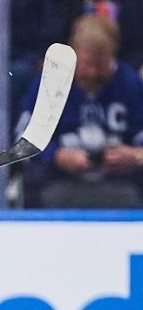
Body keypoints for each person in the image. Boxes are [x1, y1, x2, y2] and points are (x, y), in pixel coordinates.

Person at [18, 14, 143, 207]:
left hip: (120, 186)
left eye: (100, 66)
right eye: (86, 65)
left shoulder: (130, 83)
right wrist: (57, 156)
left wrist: (134, 155)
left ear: (113, 55)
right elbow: (22, 140)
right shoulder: (51, 82)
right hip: (58, 183)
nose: (92, 73)